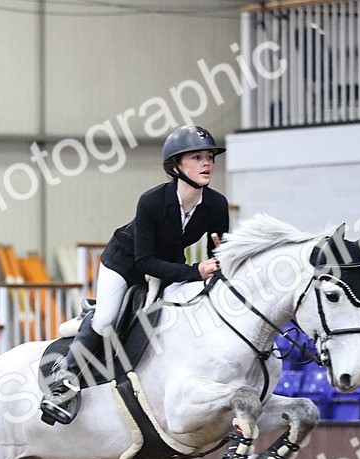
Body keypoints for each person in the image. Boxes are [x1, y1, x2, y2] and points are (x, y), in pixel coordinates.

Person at [40, 124, 230, 425]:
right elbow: (144, 261)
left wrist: (223, 257)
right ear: (176, 166)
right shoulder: (152, 201)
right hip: (126, 264)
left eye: (209, 157)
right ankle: (63, 383)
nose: (206, 163)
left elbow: (218, 250)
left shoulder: (216, 204)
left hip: (169, 266)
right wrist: (195, 271)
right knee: (105, 320)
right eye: (196, 157)